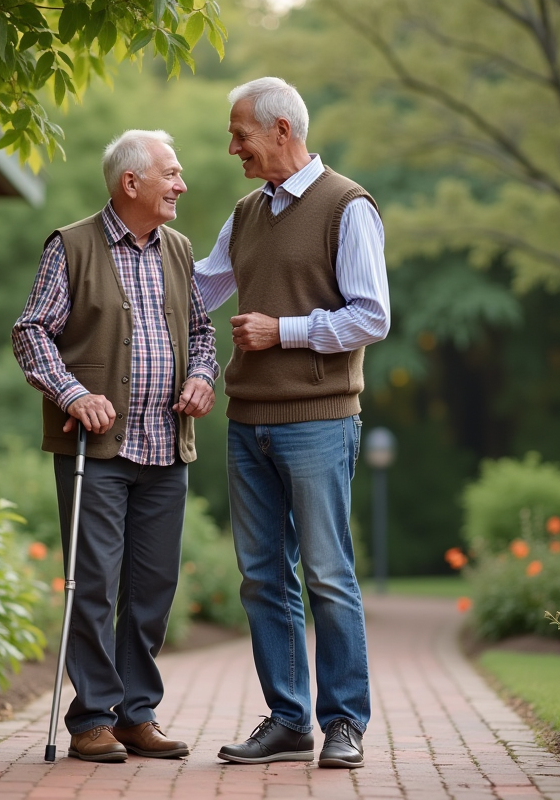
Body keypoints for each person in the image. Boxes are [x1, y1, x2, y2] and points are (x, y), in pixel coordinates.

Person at [195, 77, 390, 769]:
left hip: (317, 420)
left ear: (282, 131)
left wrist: (284, 331)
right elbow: (202, 285)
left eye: (240, 133)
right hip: (247, 421)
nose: (232, 147)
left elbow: (372, 315)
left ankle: (344, 724)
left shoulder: (347, 206)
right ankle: (286, 721)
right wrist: (119, 265)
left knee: (328, 574)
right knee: (261, 578)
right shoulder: (247, 213)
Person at [12, 129, 218, 763]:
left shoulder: (179, 250)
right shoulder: (71, 246)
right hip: (95, 452)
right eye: (171, 174)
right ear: (132, 183)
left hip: (165, 448)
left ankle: (136, 714)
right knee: (94, 584)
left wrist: (202, 376)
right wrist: (72, 393)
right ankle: (92, 718)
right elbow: (30, 333)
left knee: (153, 588)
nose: (181, 186)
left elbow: (204, 331)